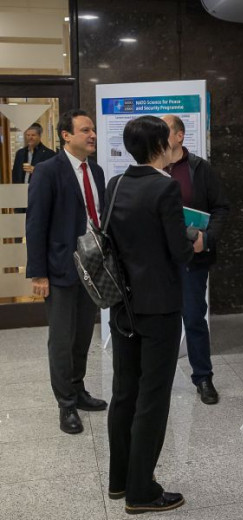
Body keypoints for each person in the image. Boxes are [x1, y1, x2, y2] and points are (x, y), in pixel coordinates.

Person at [105, 116, 203, 514]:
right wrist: (195, 241)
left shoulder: (115, 184)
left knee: (124, 391)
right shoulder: (165, 187)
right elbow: (178, 251)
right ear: (161, 145)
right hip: (159, 306)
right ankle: (142, 491)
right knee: (153, 397)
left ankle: (119, 479)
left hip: (122, 304)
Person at [26, 109, 107, 434]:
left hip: (92, 269)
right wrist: (38, 274)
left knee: (83, 335)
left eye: (93, 129)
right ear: (66, 135)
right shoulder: (48, 171)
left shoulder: (96, 171)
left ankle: (78, 388)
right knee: (62, 340)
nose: (92, 135)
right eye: (85, 130)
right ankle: (66, 404)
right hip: (60, 269)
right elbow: (35, 224)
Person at [161, 114, 229, 405]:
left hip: (191, 258)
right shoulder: (151, 168)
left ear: (179, 136)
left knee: (193, 318)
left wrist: (207, 238)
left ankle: (203, 378)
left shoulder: (200, 169)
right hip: (158, 260)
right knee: (160, 321)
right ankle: (158, 380)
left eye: (165, 130)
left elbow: (221, 208)